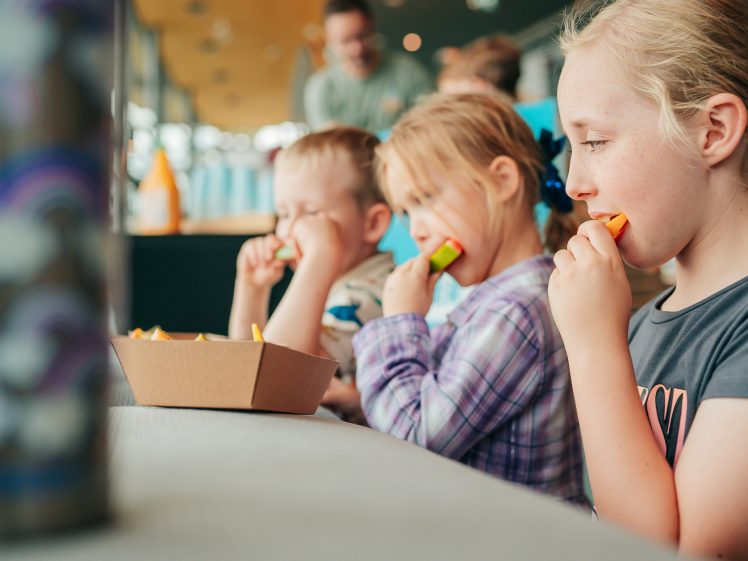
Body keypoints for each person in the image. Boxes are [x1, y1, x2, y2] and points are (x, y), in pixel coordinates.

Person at [548, 1, 748, 557]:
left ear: (712, 131)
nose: (574, 184)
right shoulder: (639, 323)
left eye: (594, 141)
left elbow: (682, 549)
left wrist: (591, 347)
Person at [353, 93, 587, 505]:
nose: (417, 231)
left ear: (501, 181)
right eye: (407, 212)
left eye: (425, 199)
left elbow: (412, 440)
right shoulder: (500, 299)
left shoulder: (516, 311)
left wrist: (399, 323)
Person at [228, 127, 393, 422]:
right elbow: (244, 373)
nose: (290, 230)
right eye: (284, 213)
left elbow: (273, 380)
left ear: (372, 223)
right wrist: (252, 290)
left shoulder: (368, 295)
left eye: (312, 213)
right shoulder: (346, 282)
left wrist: (319, 259)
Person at [303, 0, 433, 132]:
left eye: (362, 36)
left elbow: (430, 125)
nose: (357, 49)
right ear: (329, 40)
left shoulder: (409, 72)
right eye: (345, 41)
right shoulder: (320, 87)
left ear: (373, 26)